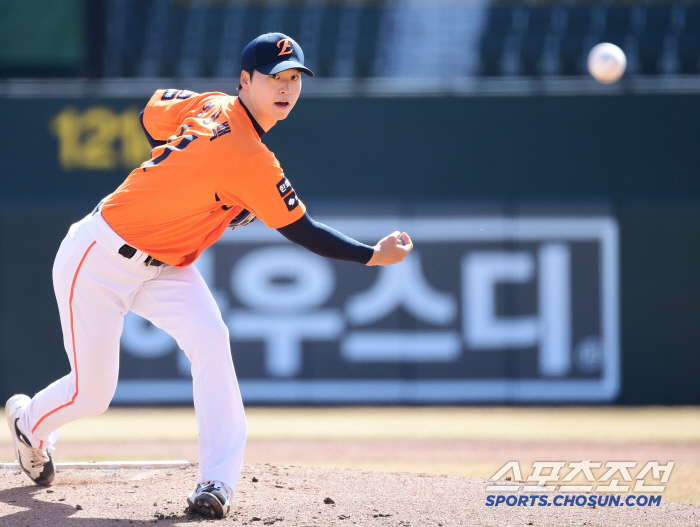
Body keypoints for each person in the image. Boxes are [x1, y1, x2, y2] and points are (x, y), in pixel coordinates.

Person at [4, 33, 412, 519]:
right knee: (93, 393)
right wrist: (372, 256)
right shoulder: (250, 157)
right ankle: (29, 423)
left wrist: (196, 179)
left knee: (212, 340)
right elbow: (304, 231)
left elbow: (149, 116)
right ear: (245, 79)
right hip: (96, 257)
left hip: (165, 267)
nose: (286, 88)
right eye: (275, 77)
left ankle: (216, 481)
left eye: (294, 78)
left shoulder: (211, 105)